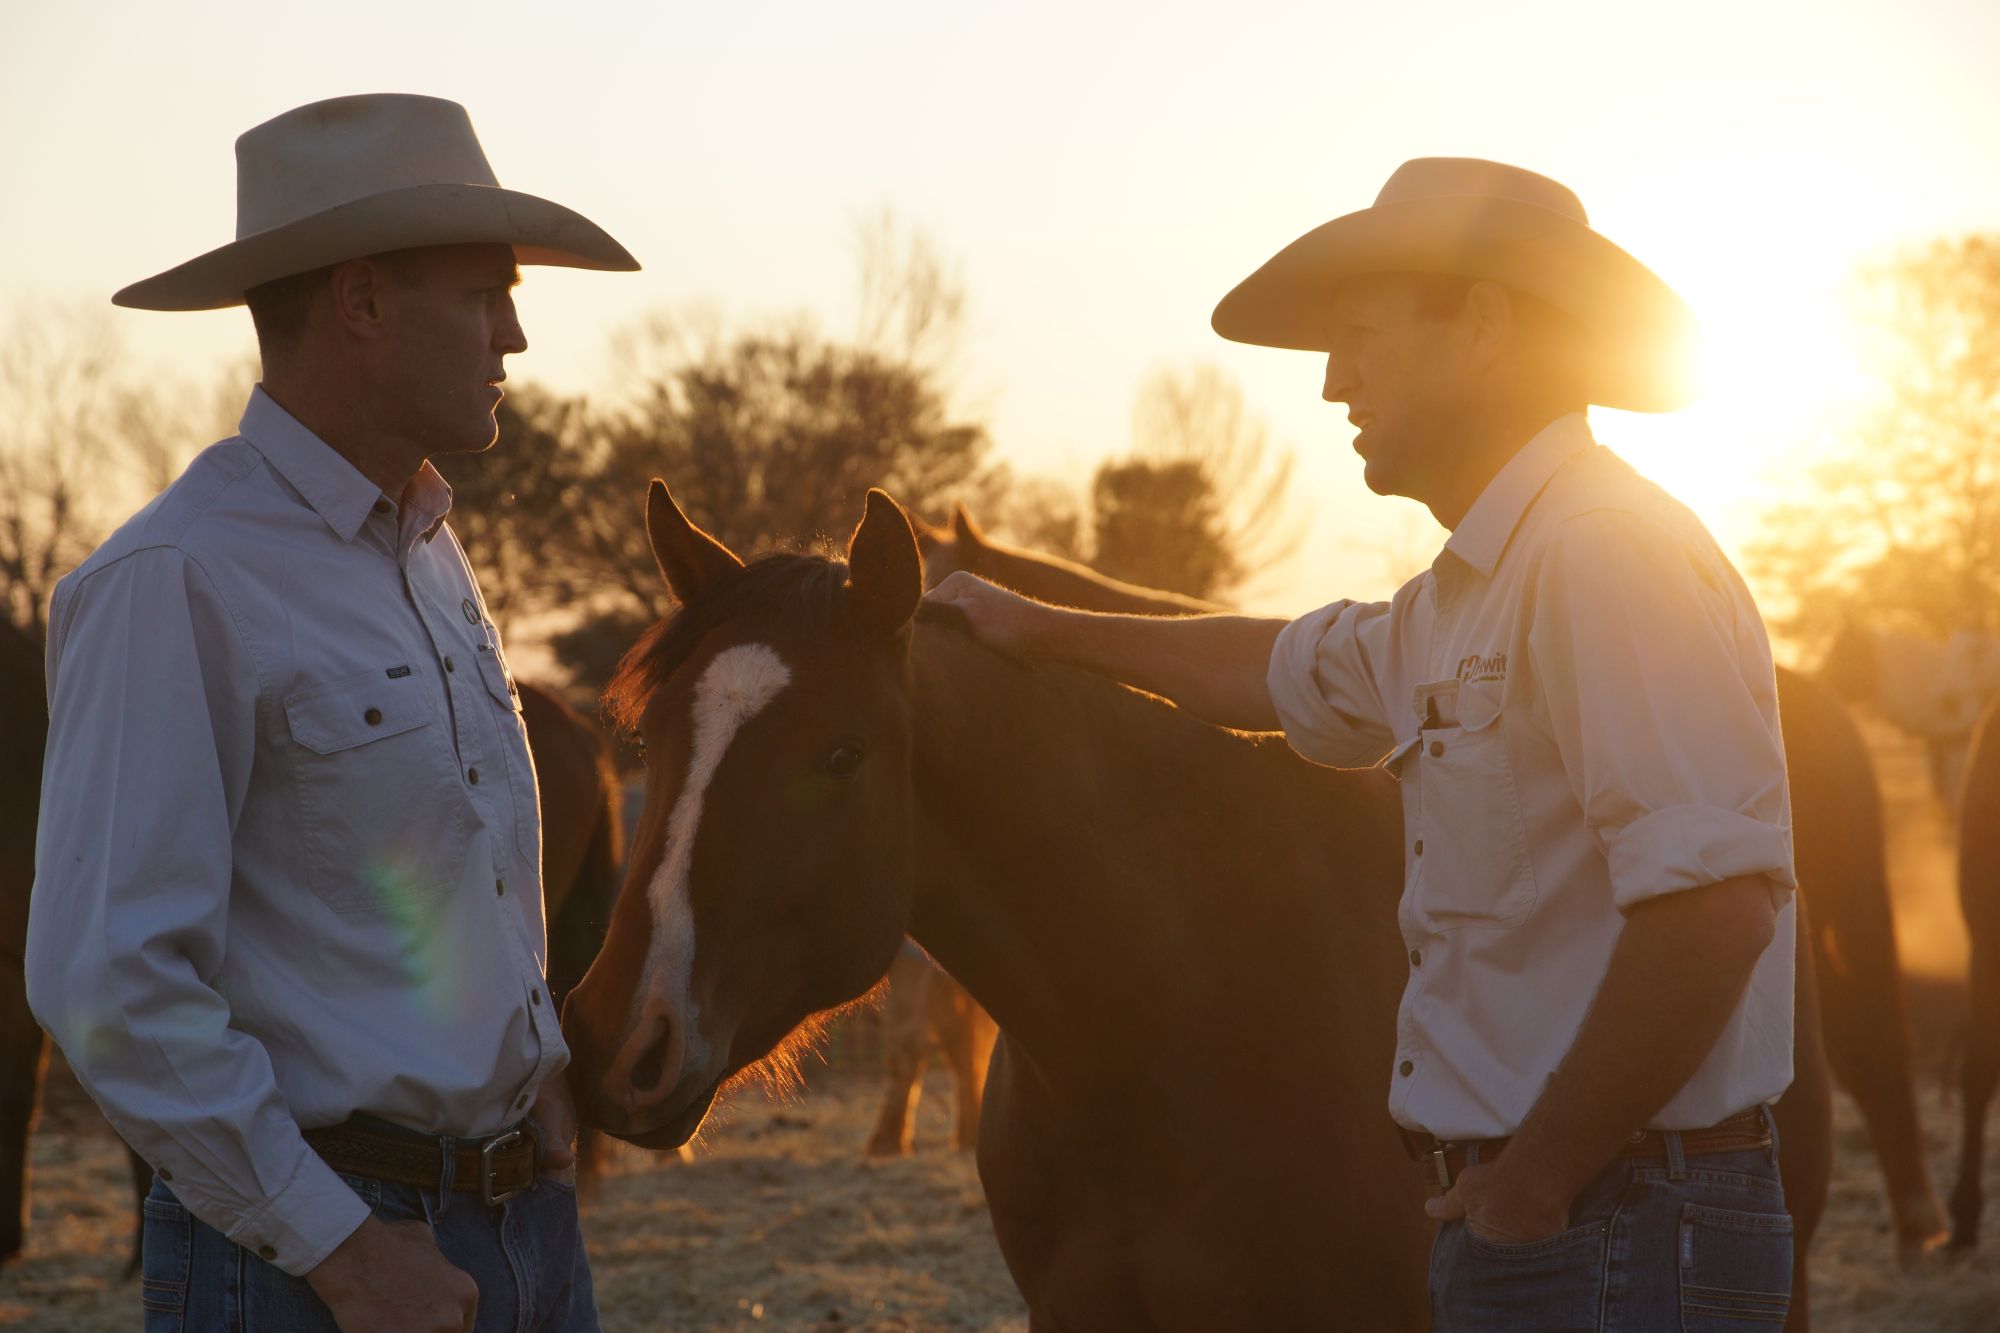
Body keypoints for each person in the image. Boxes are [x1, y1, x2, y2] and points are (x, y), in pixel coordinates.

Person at [928, 157, 1797, 1328]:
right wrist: (1037, 627)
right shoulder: (1468, 593)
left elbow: (1715, 906)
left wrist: (1533, 1182)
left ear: (1481, 326)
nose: (1334, 383)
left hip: (1611, 1218)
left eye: (1358, 336)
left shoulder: (1601, 553)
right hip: (1557, 1210)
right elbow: (1271, 667)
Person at [27, 93, 638, 1332]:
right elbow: (109, 983)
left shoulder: (425, 552)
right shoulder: (176, 579)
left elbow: (448, 873)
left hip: (520, 1231)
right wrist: (346, 1253)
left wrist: (533, 1087)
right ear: (360, 301)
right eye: (483, 295)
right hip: (314, 1270)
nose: (513, 336)